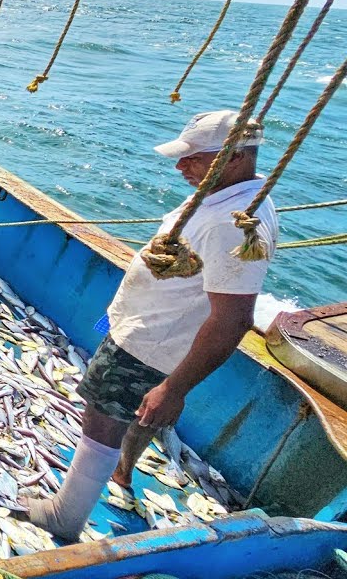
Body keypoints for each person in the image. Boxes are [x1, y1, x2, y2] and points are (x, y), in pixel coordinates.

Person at [24, 110, 277, 542]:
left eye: (193, 158)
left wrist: (174, 388)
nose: (181, 166)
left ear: (234, 158)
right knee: (136, 410)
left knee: (104, 414)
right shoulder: (231, 194)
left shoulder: (231, 225)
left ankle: (65, 515)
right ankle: (120, 474)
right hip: (154, 331)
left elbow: (233, 319)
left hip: (149, 342)